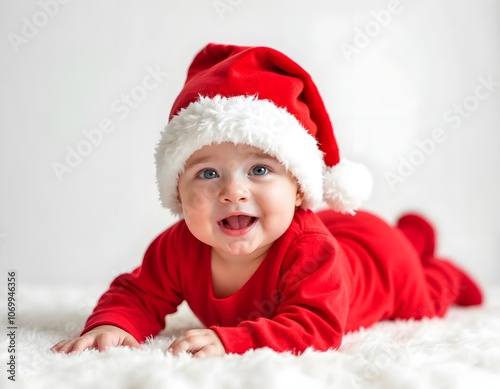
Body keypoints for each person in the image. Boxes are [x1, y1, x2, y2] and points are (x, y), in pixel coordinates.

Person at [51, 43, 483, 358]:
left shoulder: (311, 252)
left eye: (259, 170)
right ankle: (411, 234)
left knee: (423, 295)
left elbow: (316, 327)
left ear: (298, 189)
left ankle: (433, 262)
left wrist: (232, 340)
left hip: (381, 261)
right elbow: (139, 292)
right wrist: (113, 322)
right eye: (207, 173)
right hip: (338, 233)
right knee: (380, 238)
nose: (233, 191)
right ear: (177, 194)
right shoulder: (179, 245)